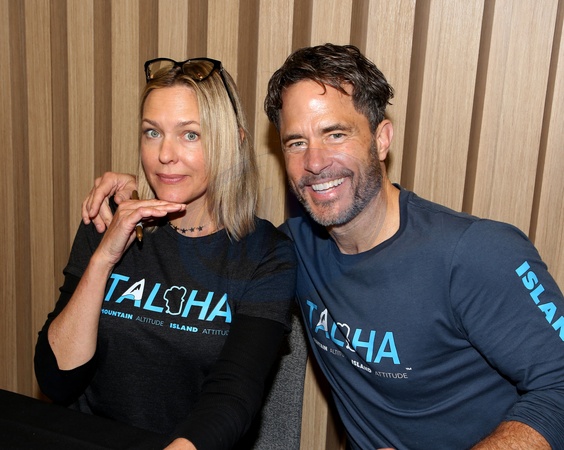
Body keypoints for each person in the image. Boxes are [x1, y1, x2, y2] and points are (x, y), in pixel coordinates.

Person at [80, 44, 564, 450]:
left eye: (335, 134)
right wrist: (136, 193)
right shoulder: (292, 250)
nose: (315, 162)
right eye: (296, 142)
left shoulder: (477, 252)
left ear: (382, 139)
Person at [34, 57, 297, 450]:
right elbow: (57, 379)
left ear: (234, 142)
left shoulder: (267, 255)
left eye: (190, 135)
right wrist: (103, 259)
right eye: (152, 132)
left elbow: (233, 396)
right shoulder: (110, 220)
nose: (165, 154)